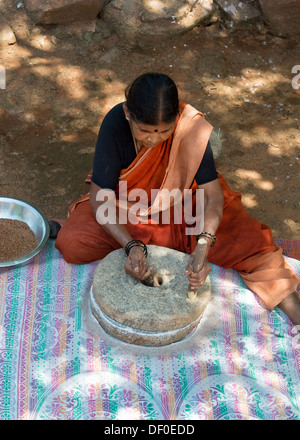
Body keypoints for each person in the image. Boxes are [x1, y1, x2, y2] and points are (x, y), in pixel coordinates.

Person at [55, 72, 300, 325]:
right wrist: (131, 246)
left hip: (185, 204)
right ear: (128, 113)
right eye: (144, 131)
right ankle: (159, 243)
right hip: (131, 206)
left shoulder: (190, 127)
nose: (153, 139)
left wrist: (204, 243)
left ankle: (295, 309)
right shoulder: (115, 123)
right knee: (74, 242)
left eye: (164, 132)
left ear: (176, 119)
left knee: (248, 241)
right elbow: (100, 197)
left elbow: (211, 193)